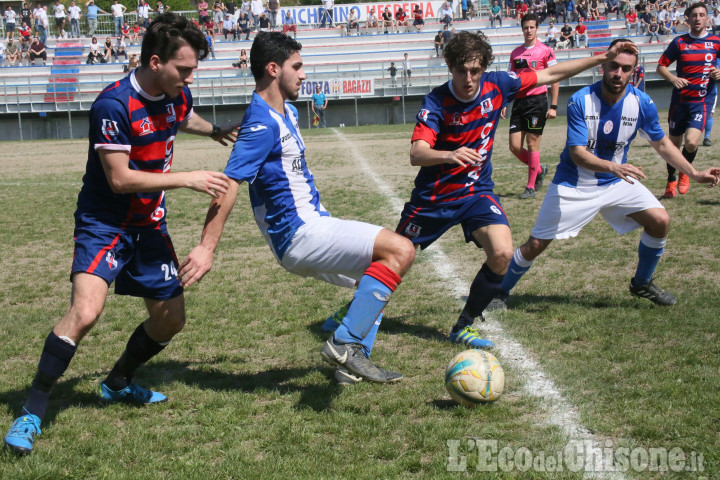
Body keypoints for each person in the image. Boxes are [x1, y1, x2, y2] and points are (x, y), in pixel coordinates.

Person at [3, 12, 239, 456]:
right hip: (105, 223)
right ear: (155, 62)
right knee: (86, 311)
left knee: (171, 319)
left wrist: (216, 132)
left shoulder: (174, 94)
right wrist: (187, 178)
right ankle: (32, 409)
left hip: (150, 227)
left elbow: (183, 117)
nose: (190, 78)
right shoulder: (112, 105)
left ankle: (116, 382)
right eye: (183, 69)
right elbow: (120, 179)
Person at [178, 31, 416, 386]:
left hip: (312, 226)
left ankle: (348, 364)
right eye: (297, 66)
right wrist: (206, 248)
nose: (303, 74)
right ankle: (345, 343)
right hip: (299, 234)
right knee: (401, 249)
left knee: (377, 276)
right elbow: (228, 184)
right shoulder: (261, 123)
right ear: (273, 69)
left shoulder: (286, 111)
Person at [495, 39, 720, 312]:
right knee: (536, 244)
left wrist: (694, 173)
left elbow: (662, 144)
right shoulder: (581, 100)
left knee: (660, 220)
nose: (618, 73)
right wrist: (614, 166)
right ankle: (499, 292)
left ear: (634, 72)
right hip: (574, 184)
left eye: (626, 69)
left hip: (615, 182)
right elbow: (577, 153)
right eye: (613, 66)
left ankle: (642, 283)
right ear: (604, 65)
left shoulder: (642, 103)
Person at [657, 2, 720, 198]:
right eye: (694, 15)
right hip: (680, 102)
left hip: (701, 102)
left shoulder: (716, 42)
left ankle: (685, 172)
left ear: (707, 19)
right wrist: (673, 79)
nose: (698, 18)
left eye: (702, 15)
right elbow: (661, 67)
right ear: (688, 19)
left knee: (691, 143)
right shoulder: (679, 42)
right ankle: (671, 178)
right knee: (673, 145)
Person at [501, 14, 558, 199]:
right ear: (522, 29)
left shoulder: (545, 51)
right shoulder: (515, 53)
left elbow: (555, 78)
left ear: (537, 29)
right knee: (514, 147)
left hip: (537, 101)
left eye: (532, 27)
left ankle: (531, 186)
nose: (529, 31)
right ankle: (540, 170)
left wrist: (554, 106)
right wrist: (504, 102)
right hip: (519, 102)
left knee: (532, 143)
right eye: (526, 27)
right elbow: (511, 81)